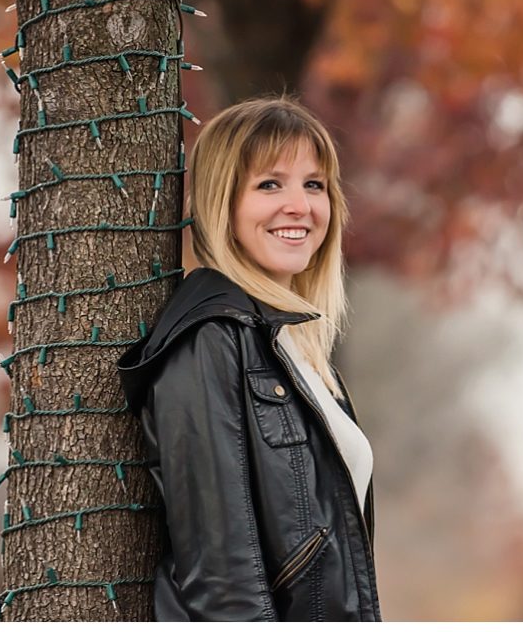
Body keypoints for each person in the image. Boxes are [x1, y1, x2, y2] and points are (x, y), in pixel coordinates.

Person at [117, 97, 381, 621]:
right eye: (269, 184)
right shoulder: (210, 338)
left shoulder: (296, 350)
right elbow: (221, 578)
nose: (300, 206)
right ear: (223, 202)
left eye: (314, 184)